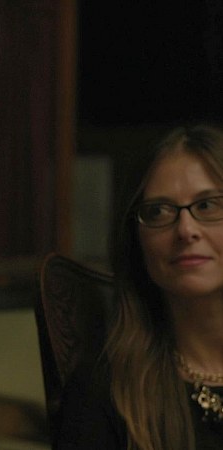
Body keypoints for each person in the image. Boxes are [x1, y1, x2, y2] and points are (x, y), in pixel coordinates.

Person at [57, 123, 223, 449]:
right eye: (158, 211)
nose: (185, 230)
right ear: (136, 242)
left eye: (207, 205)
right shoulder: (105, 390)